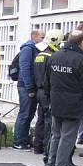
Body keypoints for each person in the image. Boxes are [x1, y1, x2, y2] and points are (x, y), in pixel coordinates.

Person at [43, 30, 83, 166]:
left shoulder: (54, 57)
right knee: (67, 137)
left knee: (56, 135)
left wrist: (48, 99)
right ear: (81, 43)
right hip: (73, 105)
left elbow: (47, 82)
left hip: (56, 102)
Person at [33, 28, 64, 158]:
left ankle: (37, 146)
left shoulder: (40, 55)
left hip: (39, 91)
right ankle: (47, 147)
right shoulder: (52, 57)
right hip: (48, 92)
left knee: (40, 119)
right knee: (48, 121)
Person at [13, 29, 43, 150]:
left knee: (30, 114)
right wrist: (30, 88)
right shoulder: (27, 49)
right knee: (24, 114)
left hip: (31, 86)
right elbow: (25, 69)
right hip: (25, 86)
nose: (43, 40)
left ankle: (24, 139)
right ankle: (18, 141)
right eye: (42, 37)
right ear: (34, 36)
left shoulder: (35, 49)